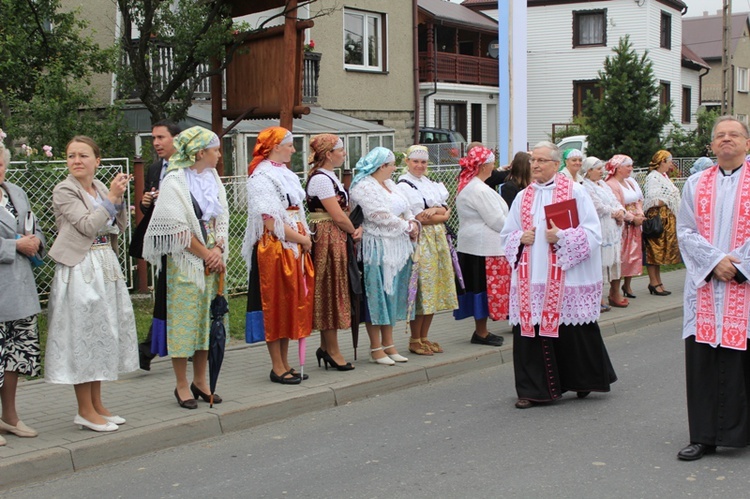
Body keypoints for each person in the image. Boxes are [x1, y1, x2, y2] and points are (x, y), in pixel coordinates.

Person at [500, 141, 617, 409]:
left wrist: (562, 236)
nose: (536, 165)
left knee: (572, 329)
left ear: (555, 165)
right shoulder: (522, 196)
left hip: (566, 275)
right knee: (530, 332)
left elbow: (592, 232)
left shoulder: (574, 192)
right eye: (533, 161)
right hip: (531, 278)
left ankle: (582, 380)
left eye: (541, 160)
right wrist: (520, 237)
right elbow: (507, 235)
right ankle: (533, 390)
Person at [45, 136, 138, 432]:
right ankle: (84, 410)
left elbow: (118, 226)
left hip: (104, 263)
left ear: (97, 160)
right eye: (71, 156)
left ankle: (97, 404)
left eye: (83, 155)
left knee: (102, 332)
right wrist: (110, 200)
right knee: (84, 334)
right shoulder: (64, 190)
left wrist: (119, 198)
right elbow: (87, 226)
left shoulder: (99, 187)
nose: (76, 161)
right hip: (80, 267)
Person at [676, 115, 750, 461]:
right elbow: (686, 231)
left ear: (747, 143)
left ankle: (742, 432)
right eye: (720, 135)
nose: (726, 140)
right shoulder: (694, 183)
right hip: (705, 289)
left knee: (743, 362)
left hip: (744, 287)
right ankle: (703, 436)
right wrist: (714, 262)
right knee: (703, 363)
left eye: (734, 135)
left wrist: (738, 267)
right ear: (712, 145)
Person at [143, 126, 229, 409]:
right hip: (186, 262)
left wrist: (218, 249)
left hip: (212, 259)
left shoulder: (213, 177)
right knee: (183, 323)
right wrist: (205, 253)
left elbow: (221, 217)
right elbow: (176, 228)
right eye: (216, 149)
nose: (219, 154)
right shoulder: (175, 180)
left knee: (207, 321)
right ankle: (181, 384)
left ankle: (201, 380)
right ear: (200, 152)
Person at [243, 127, 314, 384]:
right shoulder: (261, 177)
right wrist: (303, 238)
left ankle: (284, 361)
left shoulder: (284, 174)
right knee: (275, 304)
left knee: (288, 303)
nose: (293, 150)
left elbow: (295, 212)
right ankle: (276, 365)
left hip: (292, 245)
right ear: (274, 147)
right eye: (290, 145)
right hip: (274, 248)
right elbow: (272, 223)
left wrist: (302, 238)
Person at [349, 147, 417, 365]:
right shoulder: (363, 186)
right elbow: (377, 215)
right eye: (391, 165)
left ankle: (390, 344)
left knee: (392, 294)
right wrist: (406, 225)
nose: (394, 168)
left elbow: (406, 206)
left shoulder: (389, 184)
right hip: (376, 247)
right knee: (377, 295)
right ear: (381, 167)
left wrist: (412, 221)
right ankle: (375, 347)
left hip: (398, 245)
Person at [0, 144, 44, 444]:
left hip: (21, 287)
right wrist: (13, 246)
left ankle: (10, 417)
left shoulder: (16, 192)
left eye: (0, 164)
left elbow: (35, 227)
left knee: (16, 356)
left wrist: (35, 241)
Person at [396, 145, 458, 355]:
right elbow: (419, 217)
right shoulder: (404, 185)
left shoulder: (429, 183)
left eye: (423, 162)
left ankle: (424, 336)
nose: (420, 166)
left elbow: (446, 210)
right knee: (423, 288)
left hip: (437, 239)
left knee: (434, 289)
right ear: (407, 162)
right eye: (415, 161)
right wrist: (439, 213)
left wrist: (437, 211)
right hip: (421, 240)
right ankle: (414, 339)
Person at [305, 134, 359, 371]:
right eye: (341, 150)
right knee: (329, 289)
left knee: (333, 287)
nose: (344, 154)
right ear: (328, 154)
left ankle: (326, 346)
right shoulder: (320, 180)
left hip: (334, 236)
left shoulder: (328, 177)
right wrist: (353, 229)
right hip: (327, 236)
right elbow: (337, 215)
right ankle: (332, 349)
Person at [132, 120, 181, 371]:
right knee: (165, 291)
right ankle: (151, 347)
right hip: (162, 240)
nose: (156, 143)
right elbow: (145, 209)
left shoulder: (185, 167)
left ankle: (150, 348)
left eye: (161, 137)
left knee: (170, 292)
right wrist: (146, 201)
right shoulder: (154, 168)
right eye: (153, 138)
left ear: (176, 139)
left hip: (184, 239)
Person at [453, 145, 509, 347]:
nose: (494, 166)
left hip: (478, 246)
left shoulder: (473, 186)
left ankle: (482, 330)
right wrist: (515, 230)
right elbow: (497, 220)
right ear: (485, 166)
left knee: (482, 289)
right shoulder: (479, 189)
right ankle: (481, 332)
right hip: (483, 247)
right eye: (492, 163)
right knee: (484, 289)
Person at [581, 156, 625, 313]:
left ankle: (611, 292)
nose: (601, 171)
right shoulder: (585, 187)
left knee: (612, 263)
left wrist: (620, 211)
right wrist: (615, 212)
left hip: (611, 229)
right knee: (598, 264)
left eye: (602, 168)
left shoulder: (602, 184)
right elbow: (597, 207)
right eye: (598, 169)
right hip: (599, 228)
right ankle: (596, 297)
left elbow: (615, 200)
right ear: (589, 171)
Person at [605, 154, 645, 306]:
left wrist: (640, 213)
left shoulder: (630, 182)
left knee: (631, 257)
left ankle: (625, 287)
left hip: (634, 225)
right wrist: (632, 218)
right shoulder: (611, 184)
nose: (631, 169)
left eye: (631, 165)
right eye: (628, 166)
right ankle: (614, 291)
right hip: (621, 226)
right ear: (617, 168)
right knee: (619, 258)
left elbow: (638, 200)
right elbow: (617, 205)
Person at [643, 150, 681, 296]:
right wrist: (668, 199)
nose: (671, 164)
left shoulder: (663, 176)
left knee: (660, 252)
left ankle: (658, 281)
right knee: (654, 251)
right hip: (657, 217)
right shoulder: (653, 177)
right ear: (662, 162)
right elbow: (653, 199)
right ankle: (653, 282)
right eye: (669, 161)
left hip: (666, 217)